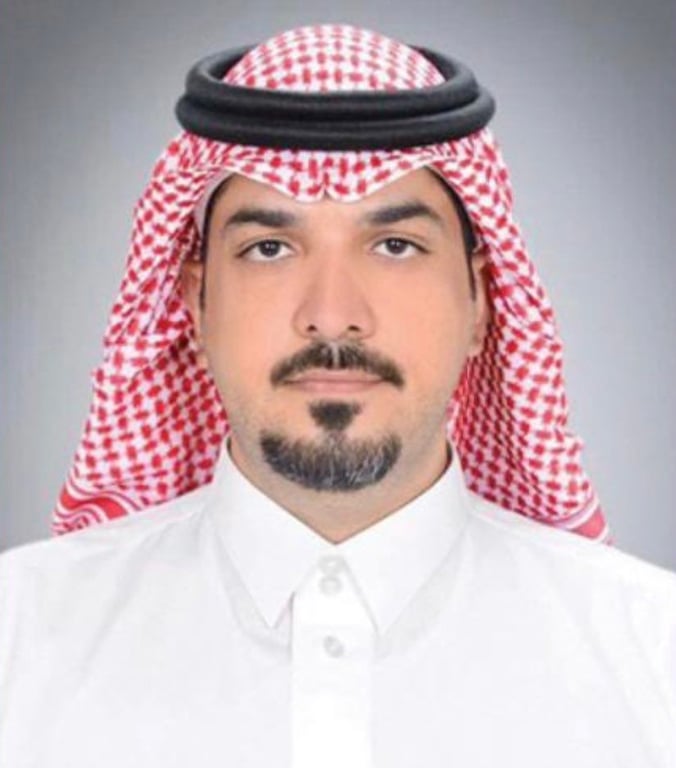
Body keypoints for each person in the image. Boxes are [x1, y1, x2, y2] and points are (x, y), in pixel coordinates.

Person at [0, 23, 674, 768]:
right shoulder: (20, 643)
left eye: (394, 246)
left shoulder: (653, 660)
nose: (330, 314)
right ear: (194, 305)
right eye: (269, 249)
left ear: (482, 302)